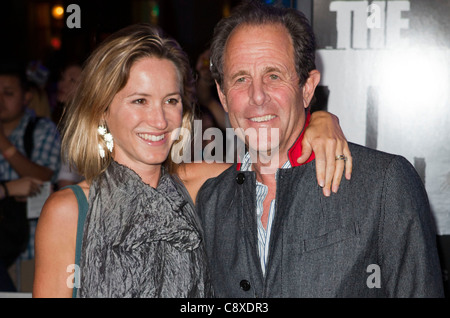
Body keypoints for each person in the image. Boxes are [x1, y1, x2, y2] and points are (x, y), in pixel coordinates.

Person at [33, 23, 351, 298]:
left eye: (170, 101)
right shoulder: (70, 211)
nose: (159, 120)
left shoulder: (198, 186)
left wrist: (320, 121)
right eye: (139, 101)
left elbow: (277, 158)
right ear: (102, 109)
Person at [196, 1, 444, 297]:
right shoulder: (210, 202)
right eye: (241, 79)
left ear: (307, 88)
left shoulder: (383, 184)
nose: (257, 95)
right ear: (223, 97)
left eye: (273, 75)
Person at [0, 62, 61, 291]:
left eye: (8, 93)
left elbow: (43, 176)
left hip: (30, 250)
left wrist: (4, 144)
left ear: (26, 97)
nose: (0, 100)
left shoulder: (41, 129)